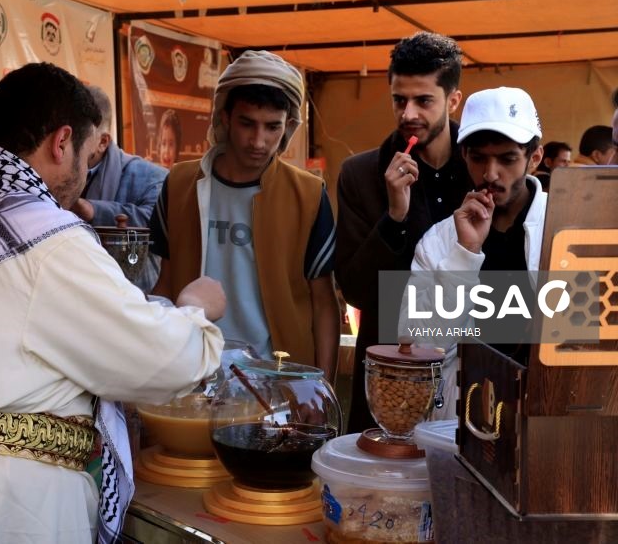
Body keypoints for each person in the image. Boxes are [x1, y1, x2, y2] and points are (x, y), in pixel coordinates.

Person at [0, 62, 225, 544]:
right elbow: (164, 361)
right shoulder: (47, 241)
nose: (85, 178)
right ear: (61, 142)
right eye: (88, 160)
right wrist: (194, 310)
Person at [149, 50, 339, 379]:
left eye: (272, 127)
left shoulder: (307, 195)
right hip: (192, 371)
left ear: (289, 126)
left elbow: (324, 302)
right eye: (247, 123)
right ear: (224, 117)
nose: (258, 141)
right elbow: (164, 284)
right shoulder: (180, 184)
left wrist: (321, 388)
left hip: (278, 378)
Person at [335, 32, 472, 433]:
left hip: (472, 373)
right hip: (389, 381)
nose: (408, 112)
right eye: (399, 100)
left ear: (452, 100)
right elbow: (357, 290)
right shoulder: (361, 174)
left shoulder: (486, 168)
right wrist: (394, 217)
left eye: (424, 100)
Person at [404, 86, 545, 419]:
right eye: (479, 157)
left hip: (546, 419)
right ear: (463, 155)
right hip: (463, 419)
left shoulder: (565, 228)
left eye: (508, 158)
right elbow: (419, 345)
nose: (491, 174)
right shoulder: (438, 242)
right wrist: (465, 253)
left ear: (534, 158)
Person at [70, 86, 167, 292]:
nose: (68, 146)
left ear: (103, 142)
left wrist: (94, 211)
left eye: (78, 138)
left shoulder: (151, 176)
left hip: (135, 299)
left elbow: (159, 223)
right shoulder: (58, 171)